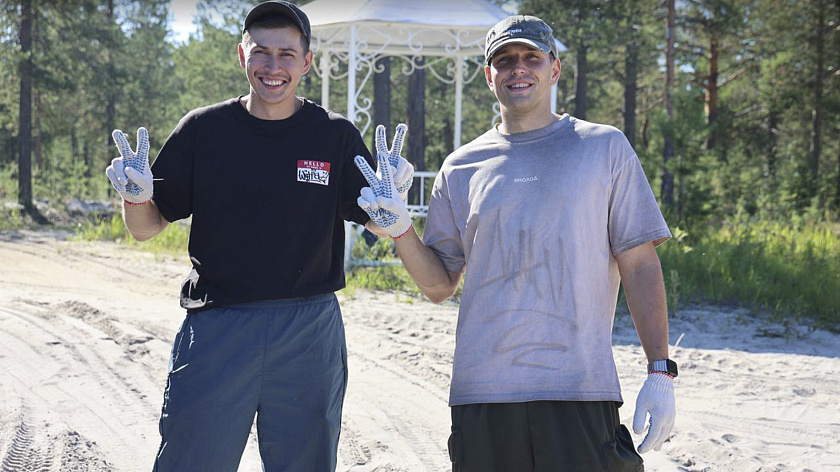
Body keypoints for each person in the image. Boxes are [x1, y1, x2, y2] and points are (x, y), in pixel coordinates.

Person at [357, 15, 677, 472]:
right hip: (483, 396)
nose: (518, 68)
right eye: (504, 60)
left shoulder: (604, 148)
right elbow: (439, 285)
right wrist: (401, 229)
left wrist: (660, 370)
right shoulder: (460, 167)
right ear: (489, 76)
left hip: (579, 390)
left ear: (554, 69)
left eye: (531, 57)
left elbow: (640, 264)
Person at [104, 2, 411, 470]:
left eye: (287, 54)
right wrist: (135, 198)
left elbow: (373, 219)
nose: (273, 66)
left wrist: (391, 210)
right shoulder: (204, 130)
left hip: (309, 330)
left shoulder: (334, 135)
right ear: (241, 55)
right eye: (261, 52)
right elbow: (147, 228)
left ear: (307, 62)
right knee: (192, 460)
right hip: (219, 327)